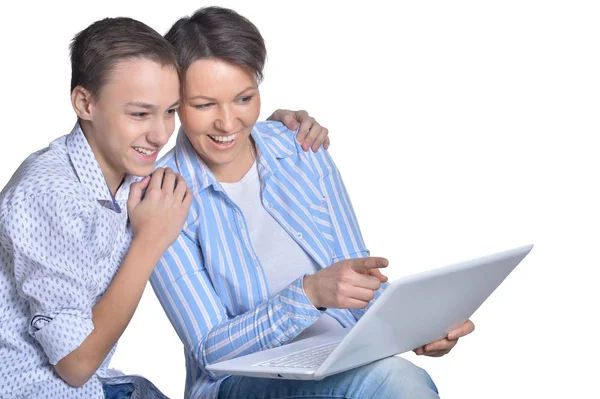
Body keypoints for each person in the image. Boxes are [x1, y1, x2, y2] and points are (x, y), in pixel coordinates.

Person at [151, 6, 475, 399]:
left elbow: (360, 283)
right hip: (238, 382)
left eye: (243, 98)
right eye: (204, 105)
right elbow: (208, 349)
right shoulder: (162, 196)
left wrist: (421, 325)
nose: (228, 122)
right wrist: (308, 295)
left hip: (343, 354)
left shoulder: (303, 149)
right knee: (393, 380)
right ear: (174, 103)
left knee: (390, 376)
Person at [0, 16, 329, 399]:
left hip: (102, 386)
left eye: (170, 111)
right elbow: (75, 364)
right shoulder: (47, 194)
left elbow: (210, 141)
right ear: (85, 103)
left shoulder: (128, 172)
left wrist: (263, 131)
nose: (160, 133)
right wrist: (150, 240)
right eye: (139, 114)